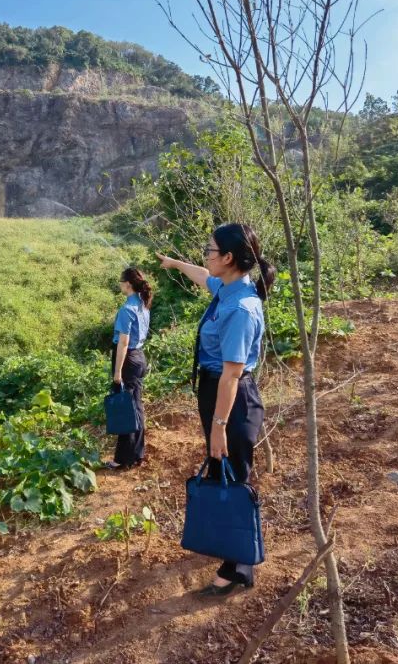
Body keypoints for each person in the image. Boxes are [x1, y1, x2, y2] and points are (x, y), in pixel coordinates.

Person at [157, 223, 276, 596]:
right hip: (216, 392)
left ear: (227, 258)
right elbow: (201, 278)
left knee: (234, 473)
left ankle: (239, 566)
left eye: (209, 251)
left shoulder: (240, 307)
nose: (204, 256)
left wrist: (219, 425)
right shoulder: (226, 288)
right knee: (226, 468)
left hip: (233, 398)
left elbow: (232, 374)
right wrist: (175, 264)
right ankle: (232, 548)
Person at [105, 266, 153, 470]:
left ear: (128, 284)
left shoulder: (127, 309)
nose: (119, 285)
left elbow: (123, 343)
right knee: (135, 405)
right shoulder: (142, 305)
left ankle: (124, 458)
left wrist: (117, 373)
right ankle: (137, 453)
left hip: (128, 358)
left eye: (121, 281)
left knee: (127, 408)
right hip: (138, 356)